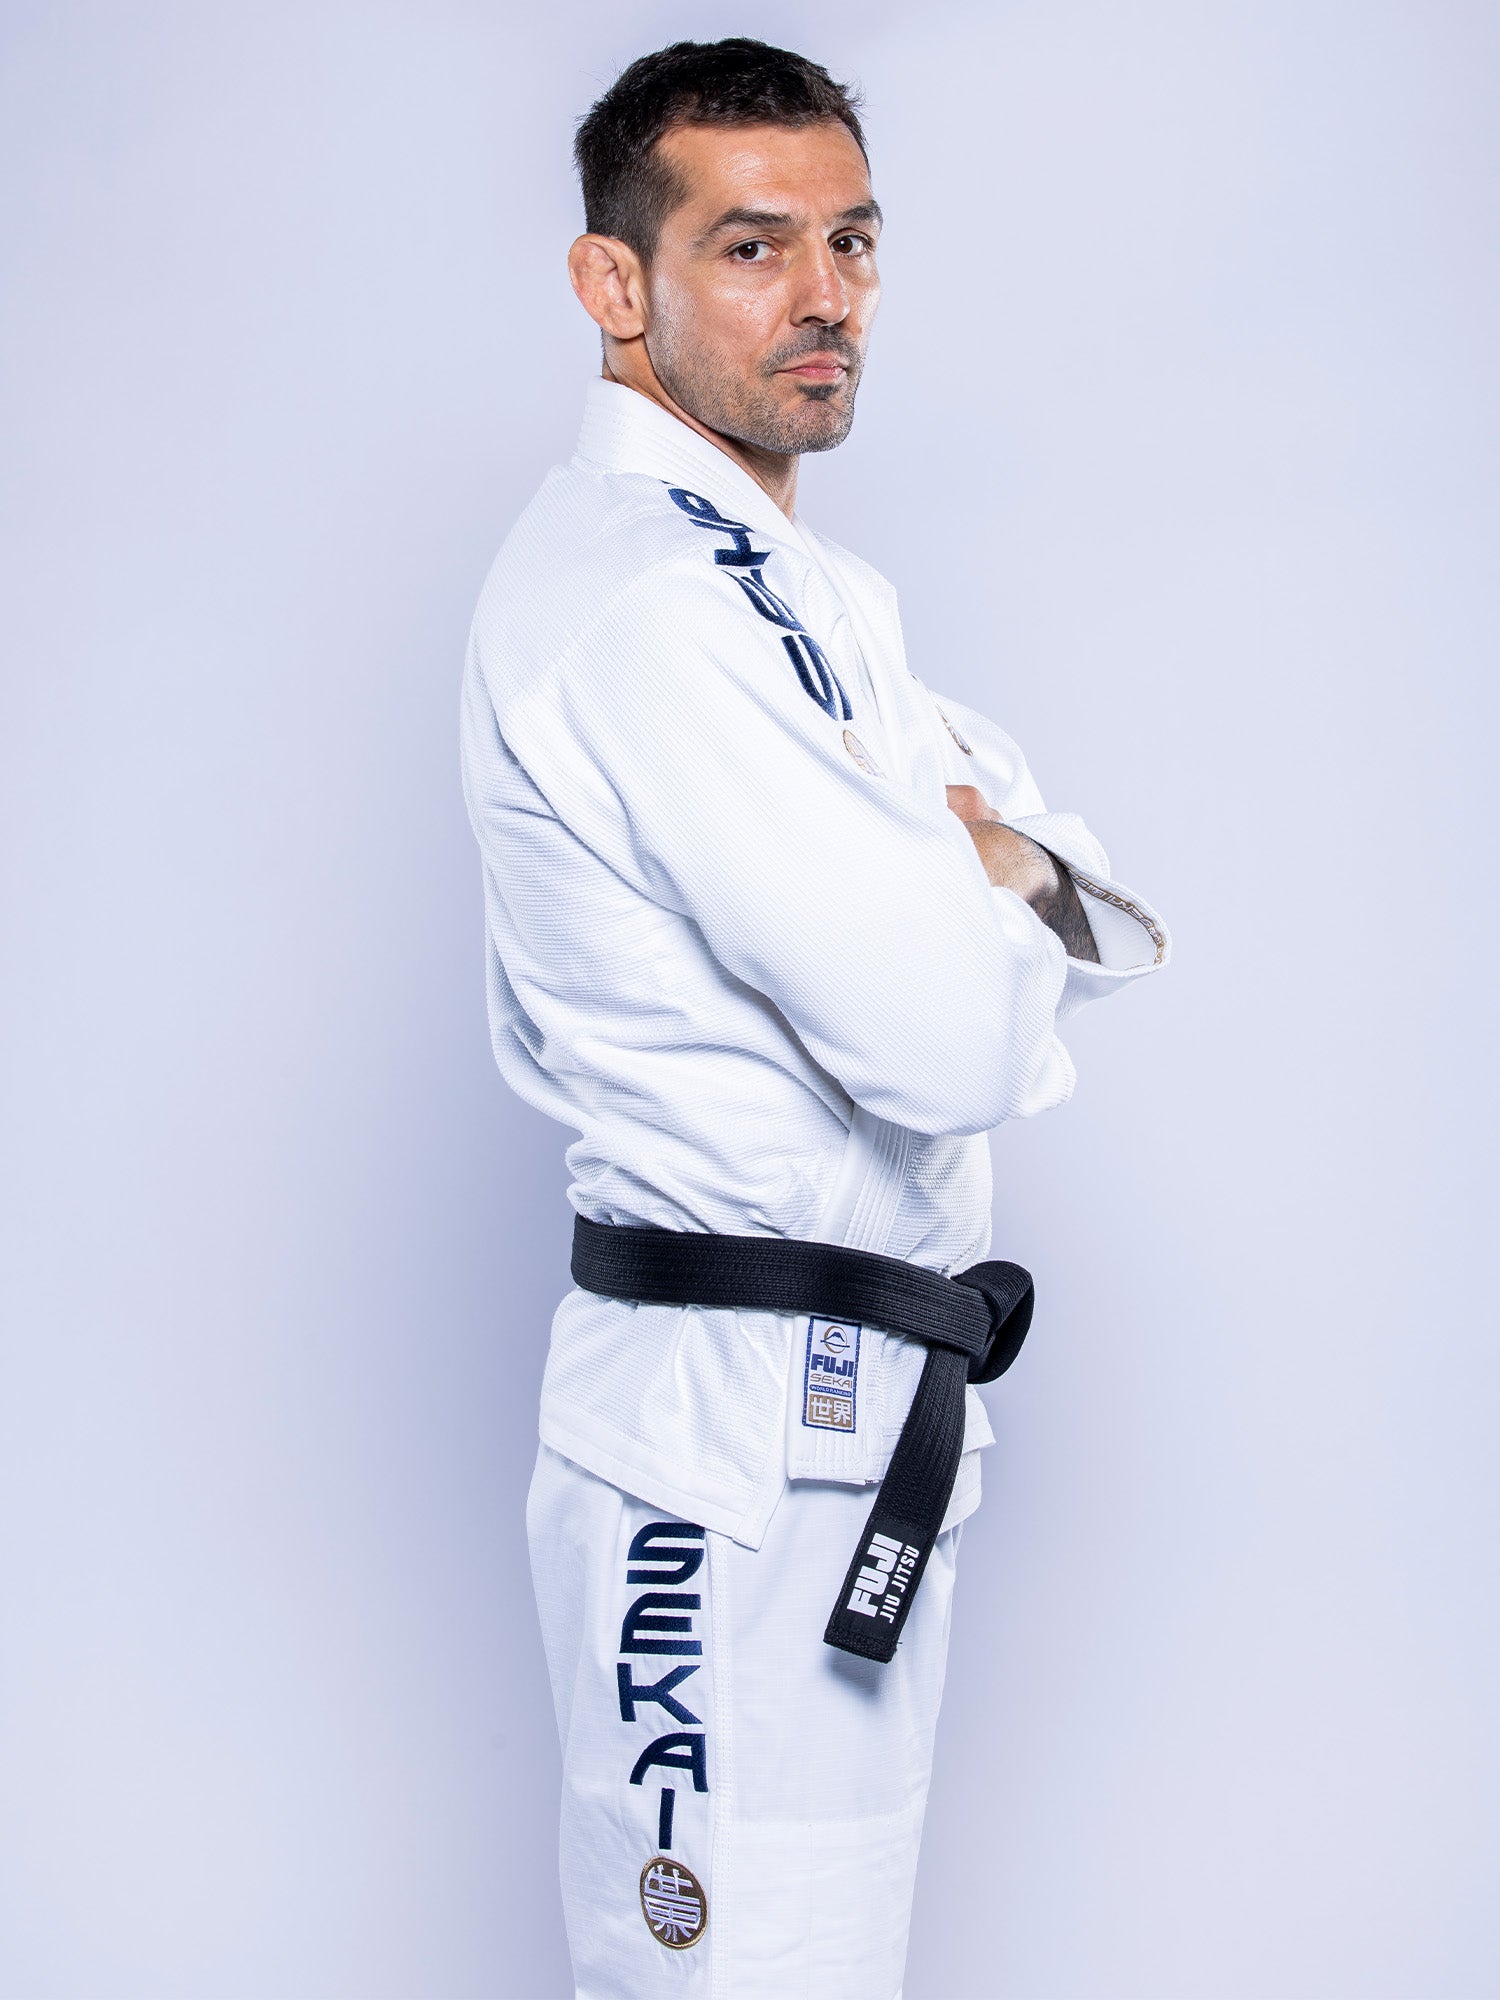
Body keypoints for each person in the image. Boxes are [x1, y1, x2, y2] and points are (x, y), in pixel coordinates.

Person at [460, 36, 1170, 1998]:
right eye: (753, 246)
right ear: (617, 286)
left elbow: (1091, 896)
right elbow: (950, 1036)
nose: (826, 295)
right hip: (711, 1453)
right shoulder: (638, 605)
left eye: (851, 239)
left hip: (854, 1426)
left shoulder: (809, 592)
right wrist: (983, 886)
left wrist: (992, 883)